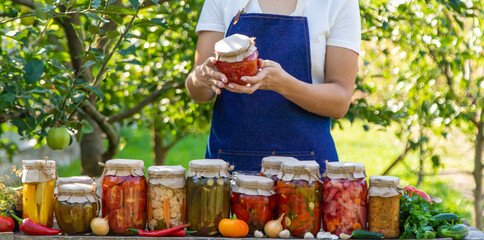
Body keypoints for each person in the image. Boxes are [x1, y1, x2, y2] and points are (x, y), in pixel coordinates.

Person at [185, 0, 360, 172]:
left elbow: (340, 101)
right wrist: (201, 78)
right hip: (227, 166)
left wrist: (283, 85)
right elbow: (199, 91)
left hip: (306, 174)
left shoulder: (337, 3)